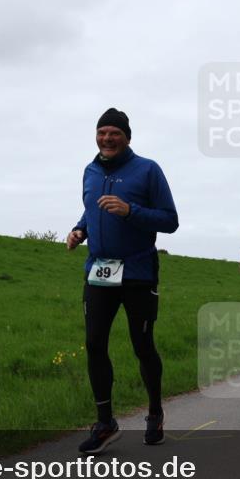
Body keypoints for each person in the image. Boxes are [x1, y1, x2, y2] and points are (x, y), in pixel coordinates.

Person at [67, 108, 179, 454]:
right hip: (99, 271)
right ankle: (105, 422)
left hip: (138, 272)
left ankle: (155, 413)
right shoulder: (90, 170)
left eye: (114, 133)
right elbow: (92, 207)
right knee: (95, 343)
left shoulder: (148, 169)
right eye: (102, 132)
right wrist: (80, 229)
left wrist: (131, 211)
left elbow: (170, 220)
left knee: (142, 345)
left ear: (127, 137)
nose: (107, 138)